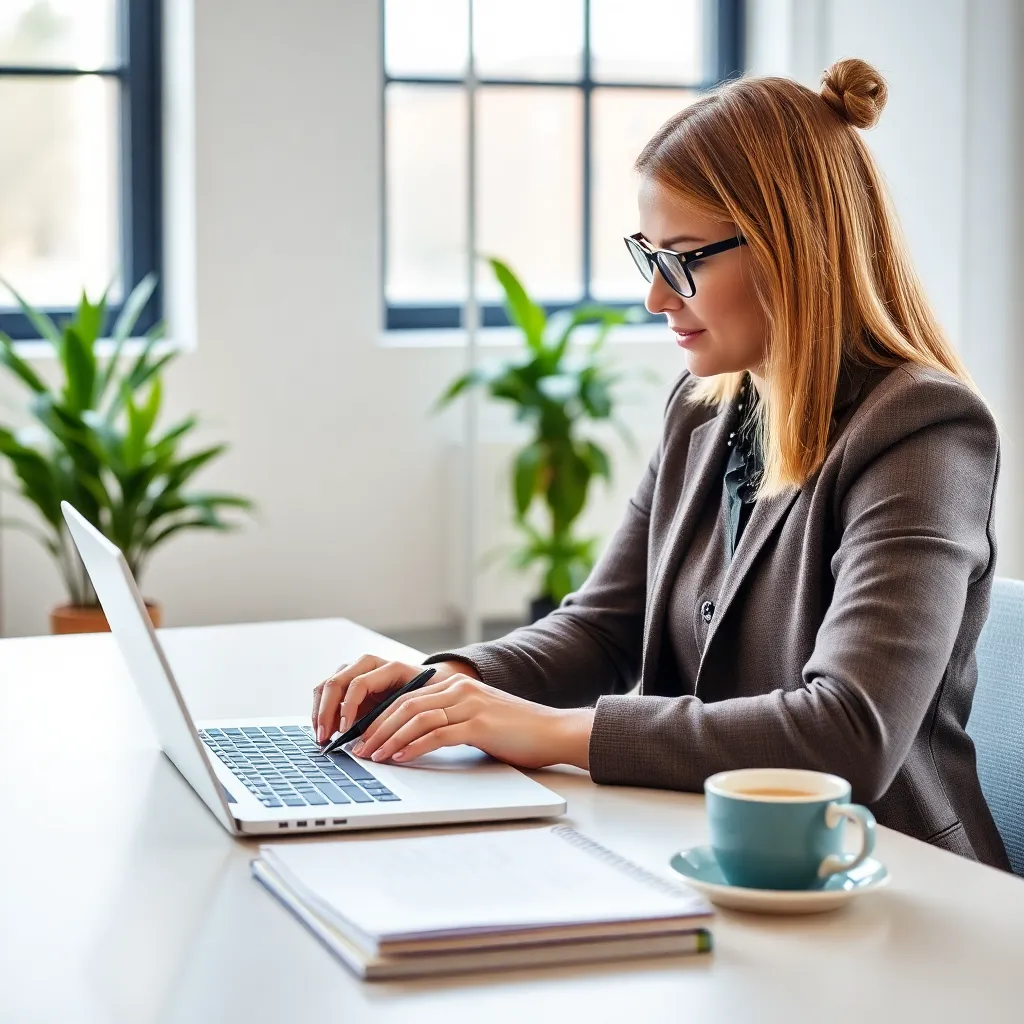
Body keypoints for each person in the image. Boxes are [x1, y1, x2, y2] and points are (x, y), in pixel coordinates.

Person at [312, 58, 1010, 870]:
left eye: (682, 260)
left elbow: (848, 731)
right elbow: (603, 626)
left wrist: (553, 732)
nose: (655, 298)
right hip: (716, 855)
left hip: (889, 881)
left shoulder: (923, 429)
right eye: (649, 256)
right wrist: (443, 684)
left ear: (794, 249)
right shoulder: (707, 410)